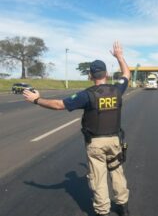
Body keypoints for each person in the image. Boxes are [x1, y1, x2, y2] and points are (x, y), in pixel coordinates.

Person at [23, 41, 130, 216]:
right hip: (115, 140)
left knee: (99, 178)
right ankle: (123, 206)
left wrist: (37, 100)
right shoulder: (117, 90)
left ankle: (103, 211)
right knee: (117, 171)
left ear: (90, 75)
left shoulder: (86, 95)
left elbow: (59, 105)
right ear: (107, 74)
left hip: (95, 143)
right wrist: (119, 56)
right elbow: (126, 73)